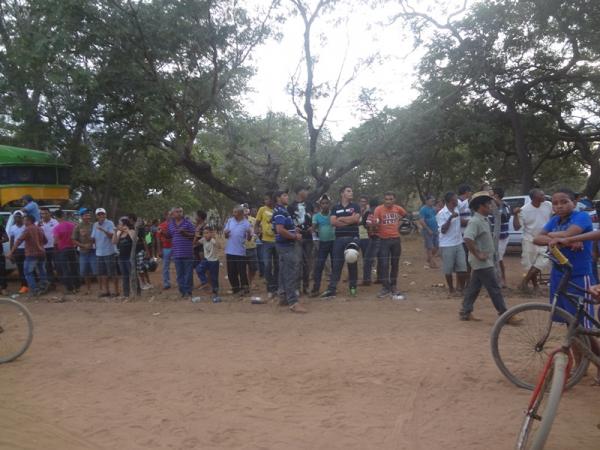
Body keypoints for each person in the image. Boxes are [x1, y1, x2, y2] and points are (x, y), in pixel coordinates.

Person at [534, 189, 597, 325]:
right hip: (558, 274)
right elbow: (537, 239)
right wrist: (563, 239)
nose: (559, 206)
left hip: (578, 273)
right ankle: (575, 345)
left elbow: (567, 234)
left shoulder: (581, 216)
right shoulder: (555, 220)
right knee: (567, 319)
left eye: (564, 202)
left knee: (581, 321)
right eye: (555, 203)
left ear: (574, 203)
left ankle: (587, 346)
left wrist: (553, 235)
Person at [458, 192, 517, 322]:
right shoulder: (475, 221)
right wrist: (478, 253)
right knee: (494, 287)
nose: (491, 207)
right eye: (488, 204)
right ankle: (505, 315)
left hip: (484, 260)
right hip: (482, 262)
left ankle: (465, 311)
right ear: (480, 207)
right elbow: (467, 238)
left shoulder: (483, 220)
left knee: (474, 287)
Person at [320, 186, 361, 298]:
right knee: (337, 265)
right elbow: (333, 222)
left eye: (351, 190)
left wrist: (341, 219)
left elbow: (356, 219)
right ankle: (332, 289)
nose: (351, 192)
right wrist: (349, 220)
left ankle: (353, 288)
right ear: (342, 193)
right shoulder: (335, 207)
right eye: (348, 191)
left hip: (352, 238)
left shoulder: (355, 206)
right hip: (338, 240)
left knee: (352, 261)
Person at [513, 188, 553, 293]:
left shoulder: (548, 205)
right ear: (535, 198)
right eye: (542, 195)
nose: (544, 196)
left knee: (543, 261)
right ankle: (535, 286)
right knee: (530, 264)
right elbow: (517, 227)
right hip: (529, 239)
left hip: (544, 238)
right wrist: (515, 215)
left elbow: (554, 216)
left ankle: (524, 282)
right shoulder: (525, 210)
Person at [272, 190, 306, 312]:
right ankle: (293, 302)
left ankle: (283, 297)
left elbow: (282, 228)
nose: (287, 197)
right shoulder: (281, 211)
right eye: (284, 195)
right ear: (278, 198)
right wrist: (294, 236)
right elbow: (280, 230)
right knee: (290, 273)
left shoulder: (280, 211)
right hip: (286, 246)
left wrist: (293, 229)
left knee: (283, 272)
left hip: (282, 245)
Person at [374, 192, 407, 298]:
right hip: (383, 240)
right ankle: (385, 287)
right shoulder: (378, 209)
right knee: (384, 264)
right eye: (386, 199)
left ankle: (393, 286)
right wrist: (374, 225)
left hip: (396, 239)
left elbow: (406, 217)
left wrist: (402, 224)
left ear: (394, 200)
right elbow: (375, 223)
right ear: (384, 200)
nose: (388, 201)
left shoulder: (398, 209)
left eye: (391, 199)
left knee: (395, 263)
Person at [436, 192, 468, 295]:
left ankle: (461, 289)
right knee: (448, 269)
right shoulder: (441, 214)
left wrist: (471, 221)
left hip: (458, 242)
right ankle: (451, 289)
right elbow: (443, 230)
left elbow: (460, 222)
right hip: (447, 244)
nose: (457, 201)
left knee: (463, 268)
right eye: (455, 199)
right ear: (451, 201)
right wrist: (450, 218)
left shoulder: (456, 209)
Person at [7, 214, 47, 296]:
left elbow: (18, 241)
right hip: (41, 253)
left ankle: (34, 290)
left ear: (29, 221)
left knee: (28, 272)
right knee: (41, 270)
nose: (23, 221)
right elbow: (45, 241)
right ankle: (43, 287)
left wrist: (11, 252)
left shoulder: (27, 229)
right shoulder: (39, 228)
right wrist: (39, 245)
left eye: (25, 220)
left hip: (31, 254)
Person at [288, 186, 313, 295]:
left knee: (307, 263)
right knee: (297, 263)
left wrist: (313, 227)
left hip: (308, 237)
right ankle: (296, 287)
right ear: (299, 191)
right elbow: (287, 222)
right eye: (305, 190)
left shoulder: (310, 204)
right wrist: (293, 228)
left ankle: (306, 287)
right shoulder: (290, 207)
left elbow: (313, 218)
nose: (307, 192)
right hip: (296, 238)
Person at [167, 207, 195, 298]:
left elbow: (193, 236)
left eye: (180, 212)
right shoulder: (171, 224)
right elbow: (170, 236)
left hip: (187, 252)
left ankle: (188, 291)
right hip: (176, 253)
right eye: (177, 212)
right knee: (179, 274)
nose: (179, 213)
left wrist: (185, 233)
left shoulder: (188, 223)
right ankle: (182, 291)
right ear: (173, 214)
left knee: (188, 273)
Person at [224, 205, 252, 295]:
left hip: (240, 252)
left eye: (235, 212)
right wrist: (226, 234)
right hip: (230, 251)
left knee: (242, 272)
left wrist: (249, 234)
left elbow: (249, 238)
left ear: (240, 213)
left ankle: (245, 289)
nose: (233, 214)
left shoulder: (246, 223)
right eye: (233, 212)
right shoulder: (229, 221)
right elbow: (226, 236)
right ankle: (236, 289)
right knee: (231, 272)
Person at [310, 195, 335, 296]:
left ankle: (332, 288)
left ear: (330, 204)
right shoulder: (316, 216)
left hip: (334, 242)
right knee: (319, 266)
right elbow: (313, 229)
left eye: (327, 203)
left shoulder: (333, 215)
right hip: (322, 243)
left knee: (335, 265)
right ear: (320, 205)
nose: (325, 205)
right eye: (323, 203)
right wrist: (315, 240)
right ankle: (316, 289)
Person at [92, 208, 119, 297]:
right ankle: (106, 291)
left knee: (112, 273)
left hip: (109, 252)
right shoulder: (95, 225)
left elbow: (112, 236)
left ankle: (116, 291)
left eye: (102, 214)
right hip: (99, 252)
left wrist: (103, 230)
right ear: (96, 216)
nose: (101, 216)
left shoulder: (110, 223)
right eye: (99, 214)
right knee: (102, 273)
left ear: (105, 214)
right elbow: (93, 237)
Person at [255, 194, 278, 298]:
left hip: (278, 241)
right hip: (266, 241)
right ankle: (270, 288)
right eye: (265, 199)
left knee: (278, 265)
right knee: (267, 265)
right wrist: (257, 233)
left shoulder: (278, 209)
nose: (266, 201)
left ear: (273, 200)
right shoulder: (262, 209)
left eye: (268, 198)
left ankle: (277, 287)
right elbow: (257, 223)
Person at [53, 209, 79, 294]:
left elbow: (56, 241)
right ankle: (77, 286)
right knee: (74, 268)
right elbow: (76, 236)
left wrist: (55, 249)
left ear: (56, 217)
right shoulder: (72, 225)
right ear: (63, 215)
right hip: (72, 248)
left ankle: (70, 288)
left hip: (62, 249)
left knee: (65, 269)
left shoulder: (56, 228)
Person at [490, 187, 511, 287]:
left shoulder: (505, 205)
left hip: (502, 237)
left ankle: (503, 279)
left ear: (496, 195)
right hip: (493, 237)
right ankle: (496, 279)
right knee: (494, 258)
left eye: (491, 193)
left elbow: (504, 217)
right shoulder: (490, 205)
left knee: (498, 258)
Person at [112, 217, 138, 298]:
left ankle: (136, 292)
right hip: (121, 257)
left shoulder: (132, 231)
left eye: (119, 224)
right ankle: (126, 293)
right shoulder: (119, 233)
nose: (118, 225)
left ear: (125, 224)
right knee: (124, 275)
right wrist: (115, 232)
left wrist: (127, 231)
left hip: (130, 257)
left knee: (132, 274)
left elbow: (135, 239)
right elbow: (114, 242)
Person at [72, 208, 96, 295]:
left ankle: (101, 288)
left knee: (96, 270)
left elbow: (97, 237)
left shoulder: (94, 225)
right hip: (82, 252)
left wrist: (91, 242)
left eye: (89, 215)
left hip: (93, 251)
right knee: (84, 271)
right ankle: (88, 289)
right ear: (81, 216)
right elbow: (74, 240)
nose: (88, 216)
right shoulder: (77, 227)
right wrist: (83, 245)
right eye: (86, 215)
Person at [198, 226, 221, 303]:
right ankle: (205, 283)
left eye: (207, 233)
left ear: (211, 233)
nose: (205, 235)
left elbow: (219, 246)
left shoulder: (213, 240)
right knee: (199, 269)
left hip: (214, 261)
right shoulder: (203, 239)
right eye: (204, 233)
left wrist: (214, 237)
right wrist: (196, 235)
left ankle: (215, 292)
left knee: (214, 277)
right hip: (206, 260)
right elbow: (196, 243)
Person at [8, 211, 28, 293]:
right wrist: (11, 252)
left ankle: (33, 284)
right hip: (18, 250)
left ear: (22, 218)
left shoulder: (26, 227)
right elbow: (12, 241)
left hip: (27, 250)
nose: (17, 218)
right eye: (15, 217)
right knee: (20, 269)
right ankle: (24, 285)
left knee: (29, 268)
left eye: (18, 217)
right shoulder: (12, 228)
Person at [361, 198, 380, 285]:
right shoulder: (381, 212)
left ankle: (367, 280)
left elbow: (366, 225)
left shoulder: (369, 213)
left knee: (368, 259)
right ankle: (381, 278)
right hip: (382, 238)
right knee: (381, 259)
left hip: (374, 238)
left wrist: (371, 227)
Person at [418, 195, 439, 269]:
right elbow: (421, 221)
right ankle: (432, 263)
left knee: (437, 246)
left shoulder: (434, 209)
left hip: (436, 230)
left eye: (433, 201)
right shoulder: (423, 209)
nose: (433, 202)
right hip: (427, 231)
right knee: (429, 247)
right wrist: (428, 229)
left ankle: (429, 259)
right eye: (431, 200)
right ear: (427, 201)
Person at [39, 207, 59, 285]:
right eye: (42, 214)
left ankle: (62, 280)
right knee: (47, 266)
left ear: (49, 213)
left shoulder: (55, 222)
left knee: (57, 264)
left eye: (45, 213)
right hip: (44, 248)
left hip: (54, 247)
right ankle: (51, 282)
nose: (43, 215)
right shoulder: (39, 223)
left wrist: (56, 244)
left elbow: (57, 234)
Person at [243, 205, 259, 287]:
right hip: (241, 248)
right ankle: (245, 284)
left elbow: (258, 230)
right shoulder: (237, 221)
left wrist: (256, 235)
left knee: (253, 267)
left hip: (252, 247)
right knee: (241, 268)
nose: (245, 213)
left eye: (246, 211)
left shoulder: (253, 220)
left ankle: (250, 281)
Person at [158, 210, 173, 290]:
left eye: (171, 215)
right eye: (168, 215)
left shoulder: (175, 224)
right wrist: (159, 250)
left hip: (176, 247)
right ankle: (166, 283)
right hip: (166, 247)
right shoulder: (161, 225)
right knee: (165, 267)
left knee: (178, 265)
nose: (170, 216)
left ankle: (181, 282)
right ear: (165, 216)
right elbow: (158, 239)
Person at [193, 210, 208, 288]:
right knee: (197, 265)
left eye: (196, 216)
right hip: (196, 248)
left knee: (204, 266)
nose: (195, 217)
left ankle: (208, 282)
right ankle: (204, 281)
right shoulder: (197, 225)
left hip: (202, 248)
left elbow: (205, 237)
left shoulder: (205, 226)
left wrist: (196, 242)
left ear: (200, 217)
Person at [0, 219, 7, 295]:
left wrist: (1, 241)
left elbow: (6, 238)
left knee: (2, 271)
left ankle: (3, 288)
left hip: (0, 253)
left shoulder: (0, 227)